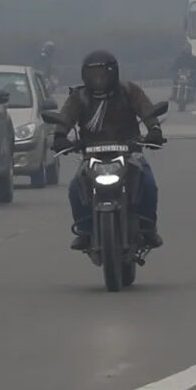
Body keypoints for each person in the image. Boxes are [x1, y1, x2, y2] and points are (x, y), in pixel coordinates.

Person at [50, 49, 165, 251]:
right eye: (93, 75)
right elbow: (66, 116)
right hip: (92, 155)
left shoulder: (129, 90)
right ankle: (85, 231)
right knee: (75, 188)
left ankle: (148, 228)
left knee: (148, 183)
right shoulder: (79, 96)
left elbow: (146, 109)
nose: (98, 79)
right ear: (84, 75)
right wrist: (60, 136)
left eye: (103, 74)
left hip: (130, 152)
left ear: (114, 72)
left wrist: (154, 130)